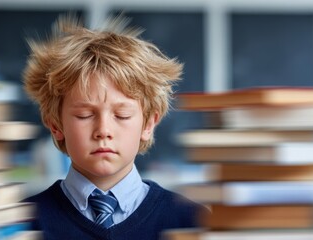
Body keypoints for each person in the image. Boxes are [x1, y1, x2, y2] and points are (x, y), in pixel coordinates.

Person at [23, 15, 206, 240]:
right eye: (85, 115)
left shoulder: (189, 220)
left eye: (122, 115)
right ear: (55, 125)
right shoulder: (23, 222)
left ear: (148, 124)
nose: (103, 130)